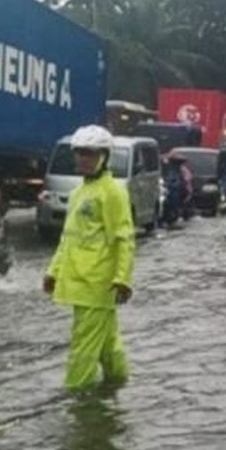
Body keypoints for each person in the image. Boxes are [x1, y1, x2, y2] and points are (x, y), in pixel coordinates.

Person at [43, 125, 136, 390]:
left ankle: (77, 398)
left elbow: (124, 239)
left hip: (97, 284)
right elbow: (68, 238)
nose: (82, 159)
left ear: (104, 156)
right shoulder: (78, 193)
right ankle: (118, 386)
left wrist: (122, 279)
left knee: (83, 348)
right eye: (79, 153)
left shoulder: (113, 192)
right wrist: (53, 271)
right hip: (78, 281)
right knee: (108, 344)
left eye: (89, 153)